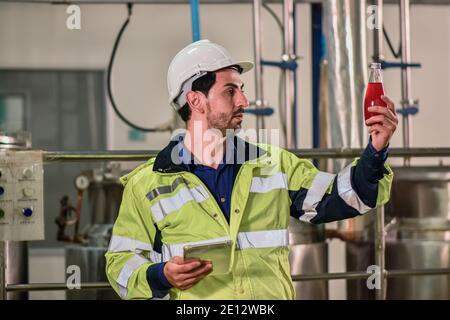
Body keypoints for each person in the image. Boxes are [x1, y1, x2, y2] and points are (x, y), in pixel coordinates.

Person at [105, 39, 398, 300]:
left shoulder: (275, 165)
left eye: (242, 90)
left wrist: (376, 150)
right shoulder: (147, 184)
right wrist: (161, 275)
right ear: (196, 100)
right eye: (230, 91)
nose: (244, 101)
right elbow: (121, 264)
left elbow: (345, 196)